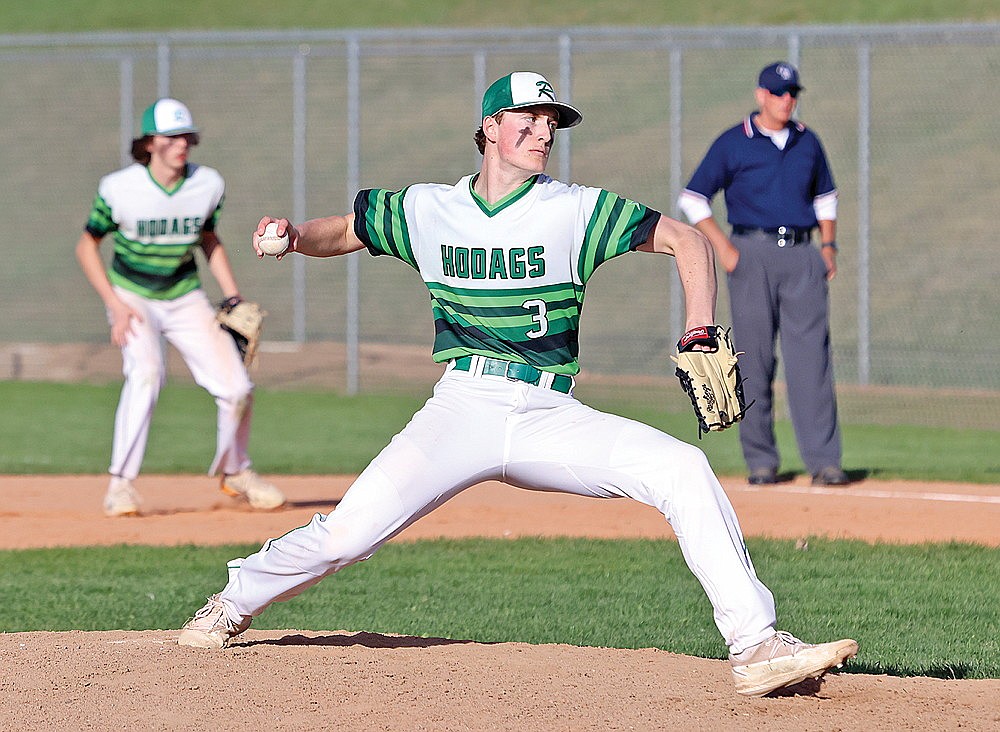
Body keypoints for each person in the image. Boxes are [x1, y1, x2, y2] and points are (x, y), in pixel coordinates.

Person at [177, 71, 857, 697]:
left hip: (547, 412)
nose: (543, 132)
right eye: (529, 119)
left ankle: (756, 644)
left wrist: (700, 326)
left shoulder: (575, 209)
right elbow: (350, 229)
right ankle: (231, 603)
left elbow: (689, 239)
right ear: (491, 127)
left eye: (550, 123)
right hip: (462, 405)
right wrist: (296, 235)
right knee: (345, 536)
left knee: (681, 468)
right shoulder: (429, 209)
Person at [75, 98, 286, 517]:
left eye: (186, 135)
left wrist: (232, 295)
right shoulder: (119, 188)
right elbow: (87, 246)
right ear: (149, 143)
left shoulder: (207, 184)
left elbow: (208, 239)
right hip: (133, 294)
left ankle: (236, 470)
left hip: (184, 293)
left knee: (237, 388)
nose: (181, 144)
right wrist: (114, 306)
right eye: (171, 137)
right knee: (147, 372)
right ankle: (120, 485)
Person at [678, 62, 849, 487]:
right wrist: (725, 250)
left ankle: (824, 462)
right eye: (778, 93)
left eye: (792, 92)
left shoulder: (807, 142)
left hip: (802, 255)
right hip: (750, 254)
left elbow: (826, 197)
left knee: (811, 361)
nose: (786, 100)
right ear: (760, 95)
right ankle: (761, 461)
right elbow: (693, 197)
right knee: (754, 359)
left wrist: (827, 247)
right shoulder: (735, 142)